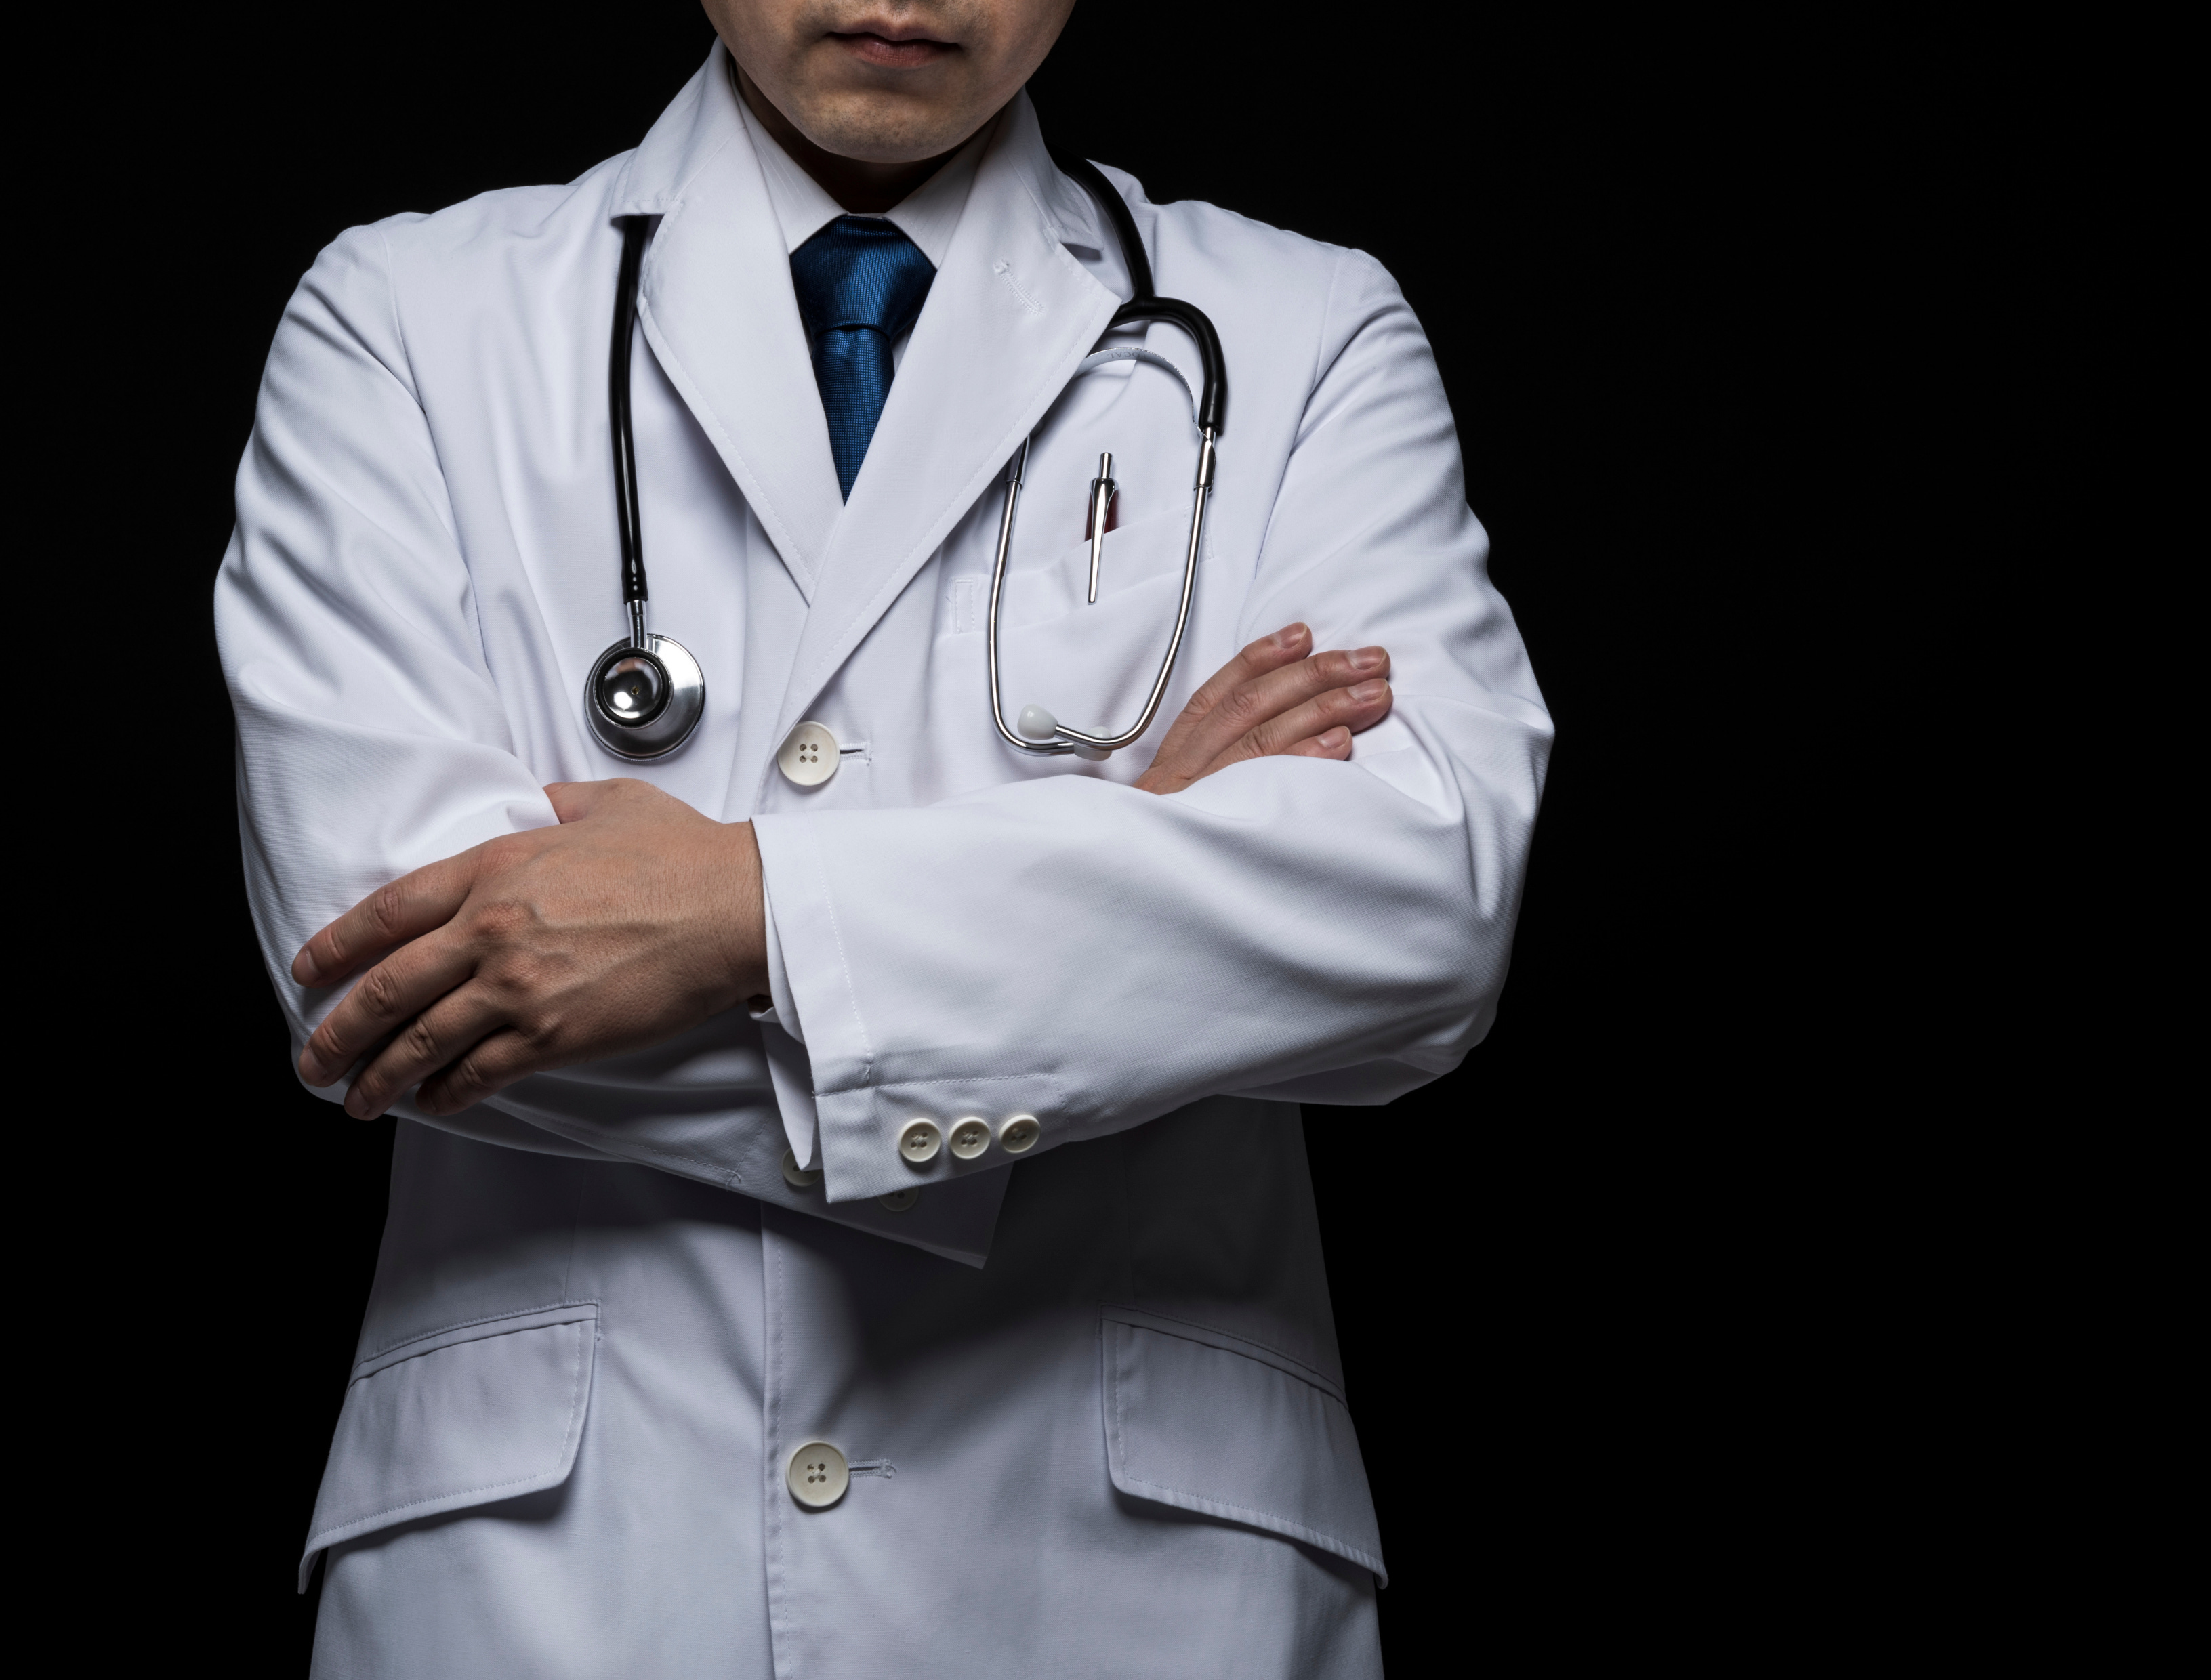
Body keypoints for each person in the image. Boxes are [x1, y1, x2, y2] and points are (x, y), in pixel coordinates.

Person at [218, 1, 1550, 1672]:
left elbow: (1415, 909)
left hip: (1128, 1592)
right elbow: (391, 973)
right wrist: (1134, 876)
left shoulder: (1303, 333)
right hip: (561, 1585)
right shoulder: (407, 321)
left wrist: (746, 914)